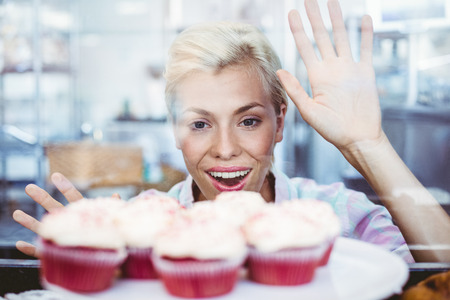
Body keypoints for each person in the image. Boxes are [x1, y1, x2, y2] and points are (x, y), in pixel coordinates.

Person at [13, 0, 450, 263]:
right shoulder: (138, 225)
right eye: (200, 124)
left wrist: (367, 145)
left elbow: (442, 277)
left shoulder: (344, 217)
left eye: (248, 120)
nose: (225, 149)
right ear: (175, 130)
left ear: (280, 122)